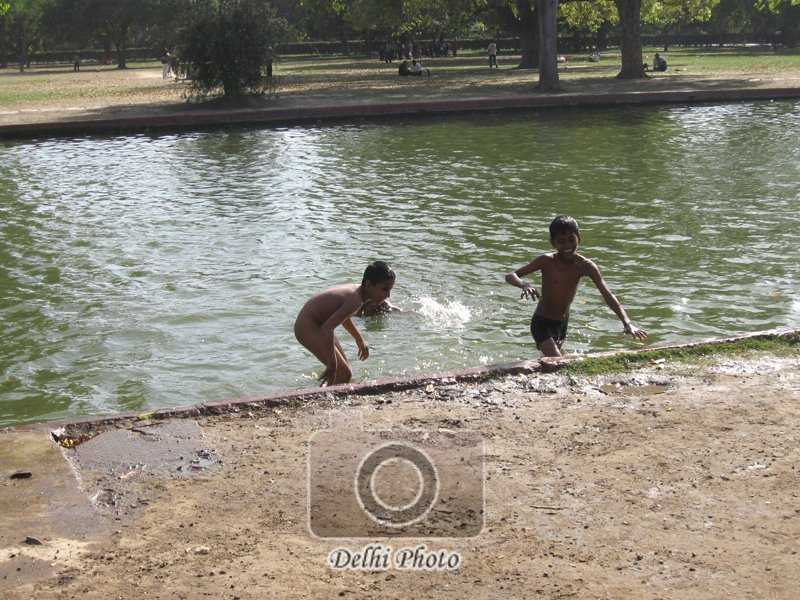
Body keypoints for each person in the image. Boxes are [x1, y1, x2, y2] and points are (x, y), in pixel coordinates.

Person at [504, 215, 647, 357]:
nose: (567, 246)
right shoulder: (546, 261)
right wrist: (524, 284)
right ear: (553, 243)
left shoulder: (586, 266)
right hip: (541, 322)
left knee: (554, 358)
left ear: (579, 237)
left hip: (562, 323)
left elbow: (607, 294)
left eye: (571, 240)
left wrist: (627, 323)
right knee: (557, 360)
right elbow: (511, 275)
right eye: (561, 241)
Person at [295, 261, 396, 386]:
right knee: (342, 372)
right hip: (308, 327)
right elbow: (327, 329)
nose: (388, 295)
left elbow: (343, 318)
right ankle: (324, 398)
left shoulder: (358, 293)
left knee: (344, 372)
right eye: (384, 289)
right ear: (369, 284)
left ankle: (324, 391)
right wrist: (332, 364)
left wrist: (359, 339)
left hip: (319, 325)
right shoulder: (356, 300)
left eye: (390, 290)